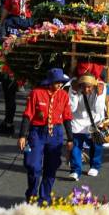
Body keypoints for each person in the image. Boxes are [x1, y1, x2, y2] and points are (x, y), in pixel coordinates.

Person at [19, 68, 74, 204]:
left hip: (56, 133)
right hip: (37, 132)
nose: (60, 85)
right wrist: (22, 135)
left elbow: (67, 117)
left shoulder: (63, 96)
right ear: (50, 82)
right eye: (57, 82)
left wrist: (70, 138)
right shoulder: (36, 93)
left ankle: (45, 198)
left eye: (61, 82)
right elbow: (27, 115)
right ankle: (31, 194)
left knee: (51, 167)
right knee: (33, 166)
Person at [68, 72, 109, 179]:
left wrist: (99, 95)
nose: (86, 90)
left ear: (94, 85)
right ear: (80, 85)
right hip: (77, 123)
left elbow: (98, 109)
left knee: (96, 146)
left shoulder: (101, 87)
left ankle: (95, 166)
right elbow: (72, 108)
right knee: (75, 147)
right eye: (84, 87)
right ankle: (75, 170)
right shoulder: (74, 86)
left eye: (89, 87)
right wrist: (73, 92)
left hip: (94, 122)